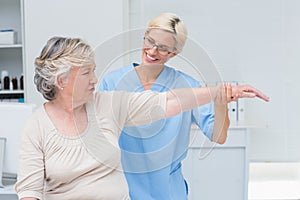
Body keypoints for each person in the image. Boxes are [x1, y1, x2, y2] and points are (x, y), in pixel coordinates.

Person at [14, 36, 268, 200]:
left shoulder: (107, 104)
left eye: (95, 71)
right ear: (62, 81)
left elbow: (168, 101)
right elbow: (29, 193)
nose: (95, 80)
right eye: (87, 73)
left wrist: (222, 92)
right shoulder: (37, 126)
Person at [99, 13, 268, 200]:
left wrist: (221, 103)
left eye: (163, 48)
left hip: (169, 190)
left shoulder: (187, 86)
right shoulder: (112, 82)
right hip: (124, 187)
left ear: (174, 53)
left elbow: (218, 136)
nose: (153, 51)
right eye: (150, 41)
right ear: (144, 36)